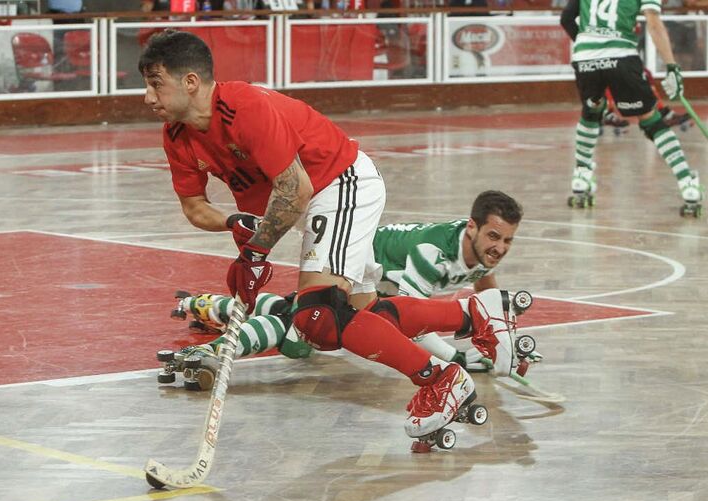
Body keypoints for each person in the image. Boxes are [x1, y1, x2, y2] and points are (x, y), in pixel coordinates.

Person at [140, 30, 518, 443]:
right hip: (312, 204)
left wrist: (255, 253)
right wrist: (234, 222)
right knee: (365, 314)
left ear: (190, 81)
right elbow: (195, 207)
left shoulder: (244, 108)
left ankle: (441, 380)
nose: (148, 97)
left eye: (156, 84)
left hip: (340, 185)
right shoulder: (177, 135)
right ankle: (474, 314)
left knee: (318, 317)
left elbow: (294, 188)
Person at [164, 190, 528, 389]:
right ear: (471, 227)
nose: (500, 248)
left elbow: (485, 286)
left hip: (370, 285)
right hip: (353, 263)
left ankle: (203, 306)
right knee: (300, 334)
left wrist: (501, 340)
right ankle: (211, 349)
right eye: (494, 237)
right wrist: (456, 358)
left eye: (508, 241)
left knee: (295, 315)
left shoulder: (481, 248)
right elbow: (415, 326)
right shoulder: (432, 253)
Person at [560, 0, 703, 216]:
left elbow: (566, 18)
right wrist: (672, 66)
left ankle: (581, 176)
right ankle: (687, 184)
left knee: (591, 112)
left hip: (585, 58)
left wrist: (587, 43)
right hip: (621, 56)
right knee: (650, 120)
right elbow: (653, 23)